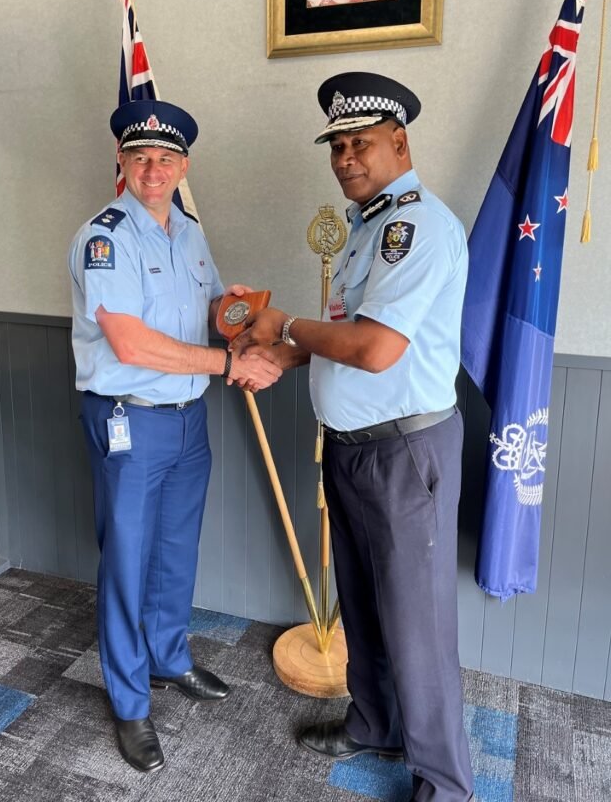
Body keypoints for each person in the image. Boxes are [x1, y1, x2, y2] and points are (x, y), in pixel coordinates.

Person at [232, 72, 474, 802]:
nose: (344, 158)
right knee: (363, 603)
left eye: (359, 143)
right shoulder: (368, 227)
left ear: (400, 142)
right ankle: (375, 724)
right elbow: (348, 336)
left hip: (404, 453)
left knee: (418, 624)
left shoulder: (415, 228)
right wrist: (283, 355)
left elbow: (374, 350)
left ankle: (445, 784)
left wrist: (284, 324)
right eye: (336, 146)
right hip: (353, 447)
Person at [68, 98, 281, 774]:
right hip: (129, 418)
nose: (152, 169)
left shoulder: (188, 233)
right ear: (122, 163)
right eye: (140, 158)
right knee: (126, 561)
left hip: (188, 419)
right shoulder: (104, 239)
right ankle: (130, 703)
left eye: (165, 159)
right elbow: (130, 343)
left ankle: (167, 657)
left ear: (183, 167)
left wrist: (236, 309)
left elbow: (209, 308)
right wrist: (228, 363)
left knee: (174, 550)